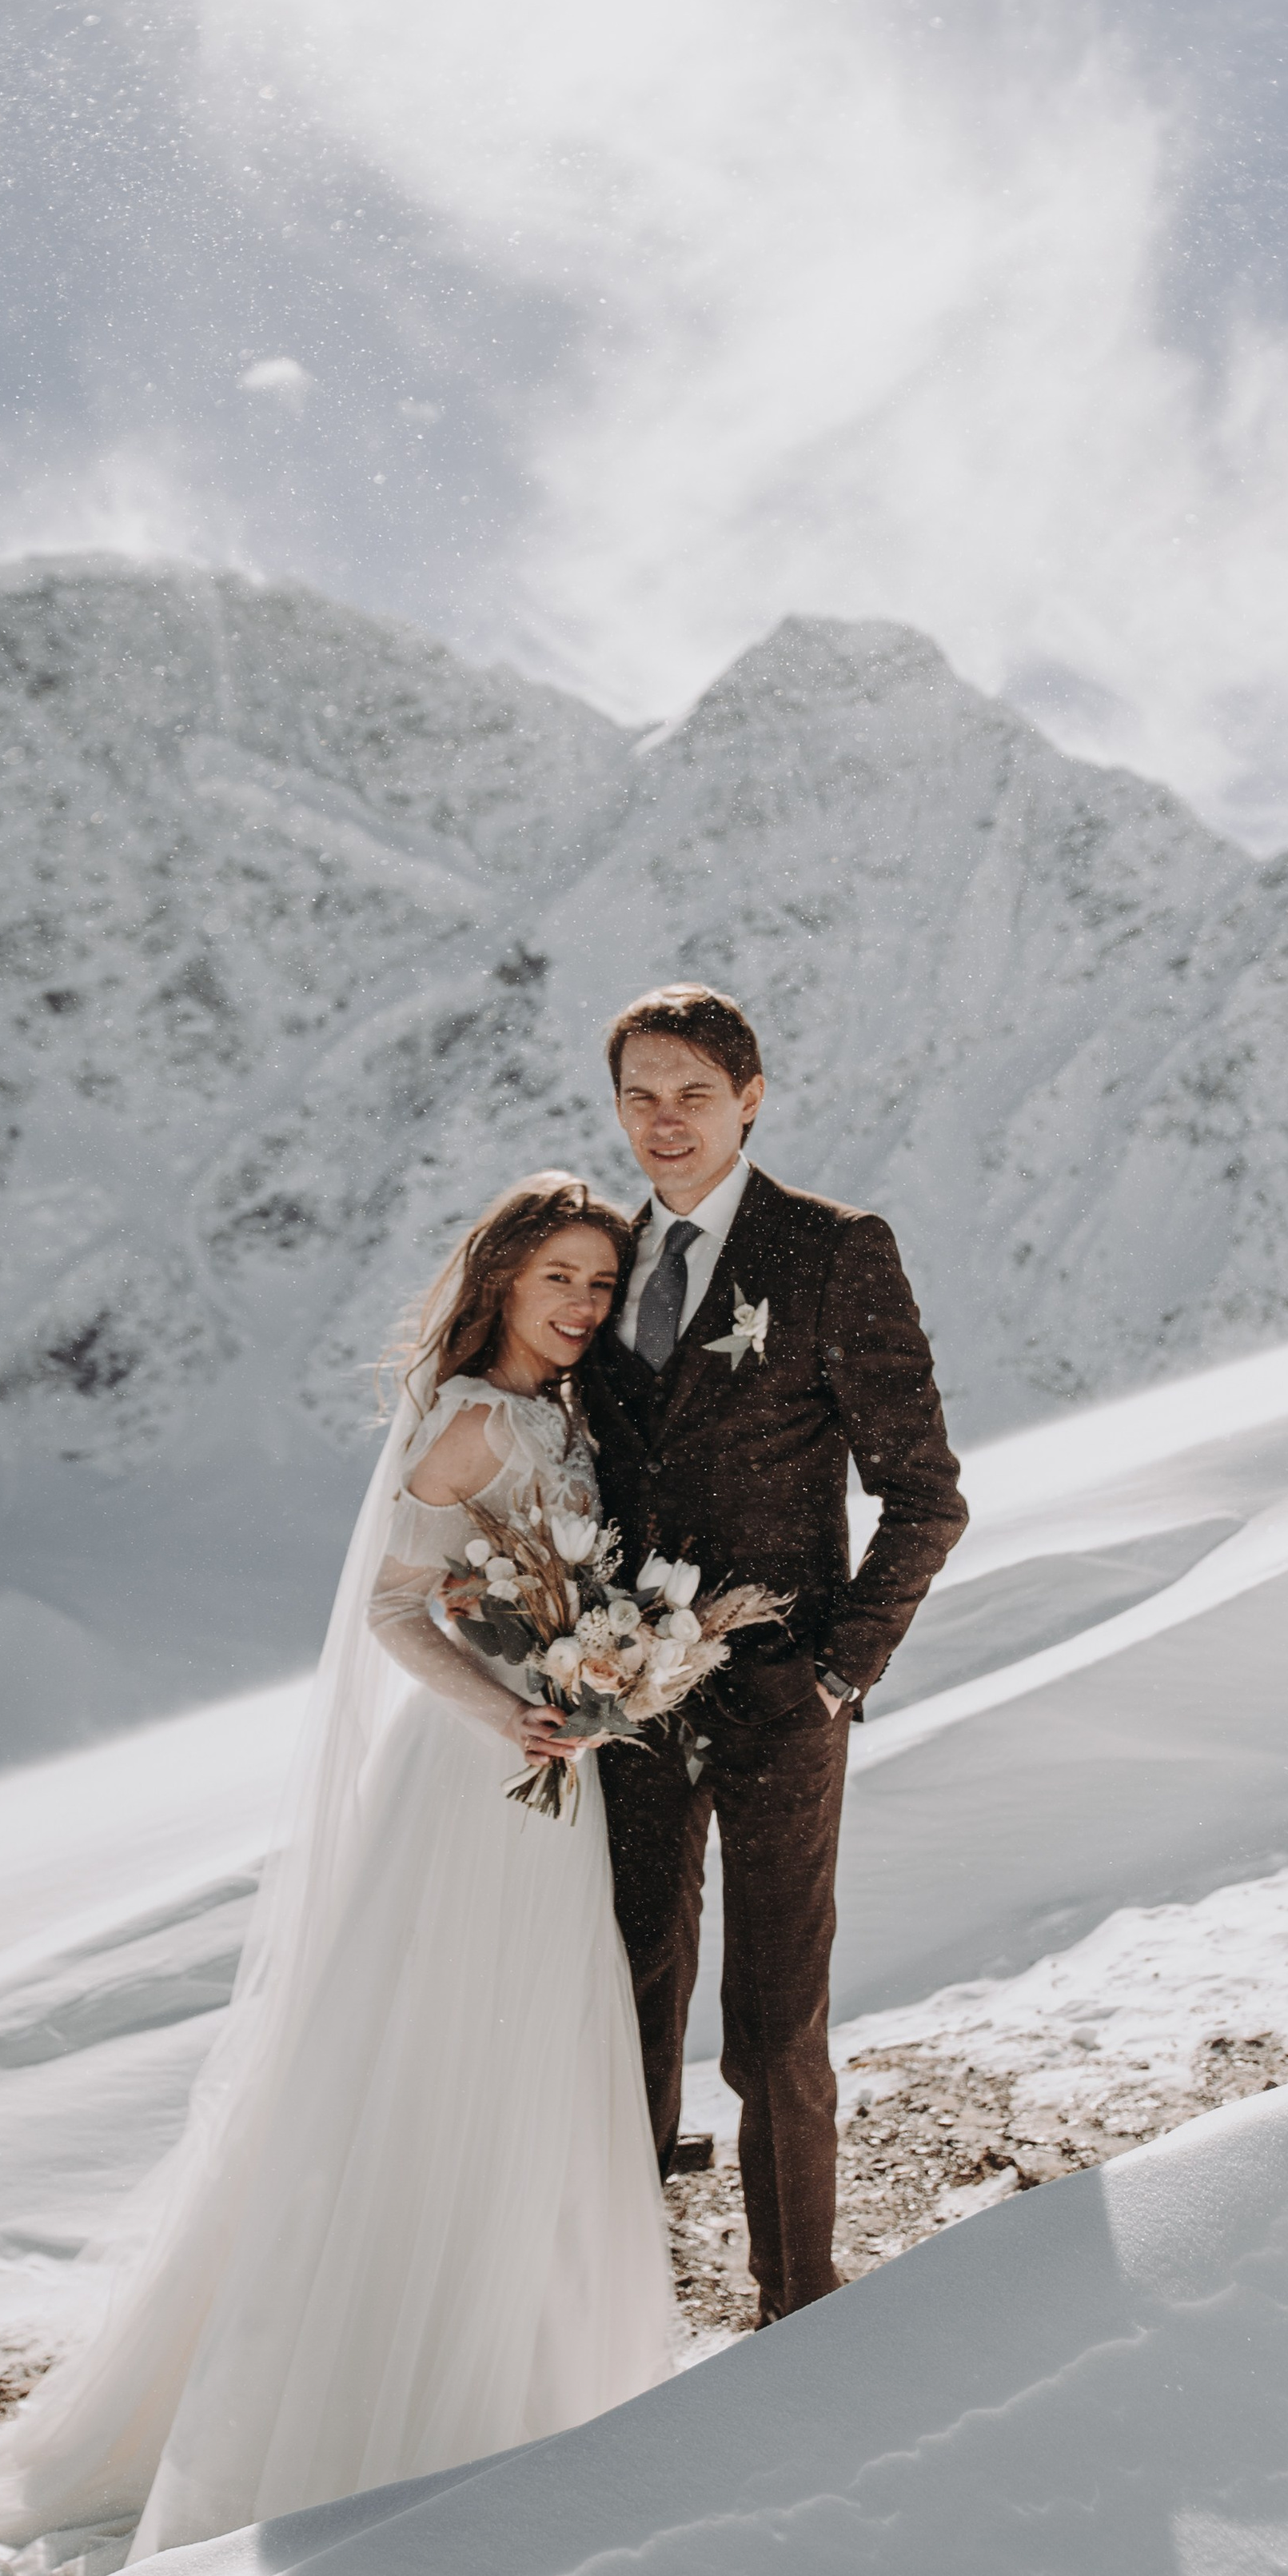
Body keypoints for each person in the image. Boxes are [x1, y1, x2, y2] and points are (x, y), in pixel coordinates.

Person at [0, 1176, 674, 2562]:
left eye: (601, 1287)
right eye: (560, 1276)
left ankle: (534, 2366)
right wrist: (510, 1706)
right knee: (437, 2058)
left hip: (552, 1771)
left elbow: (539, 1590)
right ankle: (392, 2399)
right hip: (471, 1781)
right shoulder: (465, 1425)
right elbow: (394, 1606)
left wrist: (605, 1667)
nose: (580, 1307)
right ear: (501, 1276)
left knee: (537, 2051)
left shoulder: (560, 1417)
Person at [579, 984, 968, 2323]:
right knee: (624, 2005)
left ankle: (800, 2309)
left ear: (751, 1098)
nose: (665, 1120)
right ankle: (611, 2325)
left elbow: (926, 1493)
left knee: (774, 2022)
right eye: (641, 1093)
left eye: (693, 1091)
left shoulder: (833, 1251)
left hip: (782, 1698)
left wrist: (837, 1672)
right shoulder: (598, 1261)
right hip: (628, 1703)